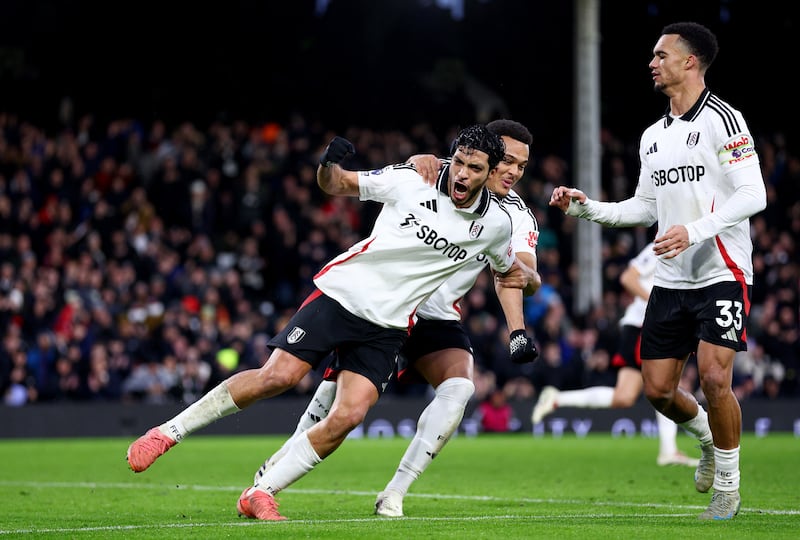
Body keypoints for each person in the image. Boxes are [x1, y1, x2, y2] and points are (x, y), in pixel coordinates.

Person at [126, 124, 530, 521]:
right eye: (459, 162)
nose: (462, 174)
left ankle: (261, 493)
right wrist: (327, 165)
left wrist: (527, 289)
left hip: (389, 326)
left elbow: (510, 272)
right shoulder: (412, 179)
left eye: (474, 169)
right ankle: (165, 433)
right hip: (342, 294)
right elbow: (336, 184)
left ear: (490, 172)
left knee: (349, 415)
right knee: (278, 377)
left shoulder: (496, 225)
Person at [251, 119, 541, 518]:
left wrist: (519, 327)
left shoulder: (516, 217)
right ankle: (271, 475)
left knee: (459, 387)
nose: (512, 171)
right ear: (487, 158)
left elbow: (517, 274)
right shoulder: (435, 171)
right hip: (383, 303)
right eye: (506, 160)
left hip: (435, 316)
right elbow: (391, 178)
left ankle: (395, 492)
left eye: (522, 166)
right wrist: (414, 160)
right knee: (334, 400)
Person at [548, 22, 766, 520]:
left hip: (721, 270)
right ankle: (710, 441)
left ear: (690, 61)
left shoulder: (723, 120)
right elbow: (643, 208)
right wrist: (586, 209)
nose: (652, 62)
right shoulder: (652, 136)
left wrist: (694, 231)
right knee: (658, 391)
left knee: (715, 377)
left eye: (661, 54)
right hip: (670, 280)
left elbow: (755, 194)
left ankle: (728, 487)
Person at [531, 241, 700, 467]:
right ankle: (670, 449)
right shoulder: (662, 244)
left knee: (625, 396)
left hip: (644, 325)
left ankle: (556, 398)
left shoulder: (687, 246)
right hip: (645, 325)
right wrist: (660, 306)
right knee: (665, 386)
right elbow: (628, 278)